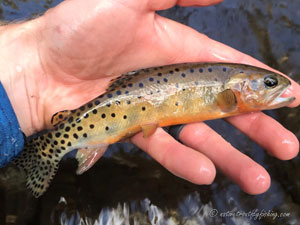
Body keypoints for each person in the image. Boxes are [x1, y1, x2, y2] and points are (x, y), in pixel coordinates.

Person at [0, 0, 299, 195]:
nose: (276, 87)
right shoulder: (227, 99)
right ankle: (46, 151)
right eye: (269, 83)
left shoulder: (231, 94)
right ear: (238, 87)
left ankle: (45, 152)